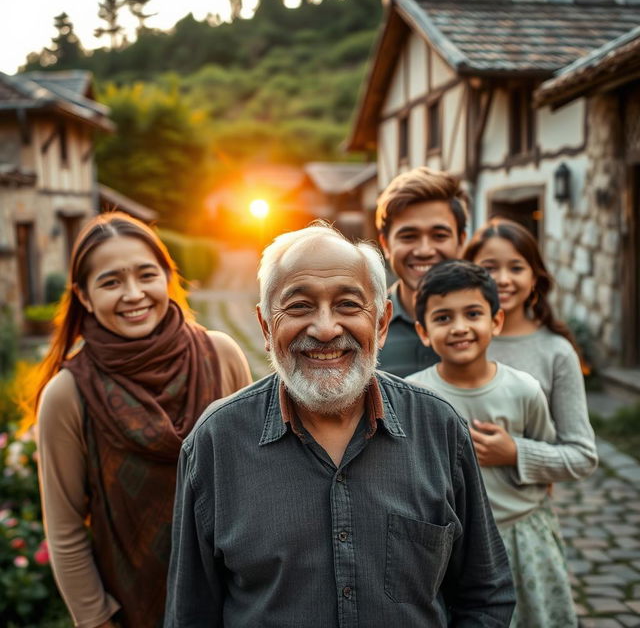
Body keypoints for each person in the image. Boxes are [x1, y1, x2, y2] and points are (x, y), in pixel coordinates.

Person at [164, 222, 515, 627]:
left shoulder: (439, 428)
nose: (326, 328)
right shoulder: (215, 443)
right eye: (299, 306)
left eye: (349, 304)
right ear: (265, 326)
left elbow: (485, 596)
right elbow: (190, 615)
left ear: (381, 323)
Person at [26, 212, 252, 628]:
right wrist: (97, 621)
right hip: (133, 609)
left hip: (234, 603)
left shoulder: (221, 356)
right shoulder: (69, 394)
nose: (134, 294)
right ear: (84, 296)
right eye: (111, 282)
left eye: (146, 275)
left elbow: (254, 483)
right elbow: (66, 530)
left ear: (167, 277)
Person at [407, 260, 577, 627]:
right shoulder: (415, 397)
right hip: (454, 549)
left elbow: (548, 458)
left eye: (472, 313)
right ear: (423, 331)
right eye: (443, 318)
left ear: (496, 321)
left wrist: (514, 452)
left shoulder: (524, 390)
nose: (460, 328)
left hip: (520, 535)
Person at [464, 218, 597, 484]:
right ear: (468, 273)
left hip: (520, 513)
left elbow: (583, 457)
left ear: (534, 277)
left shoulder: (556, 351)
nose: (502, 279)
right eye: (489, 267)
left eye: (516, 267)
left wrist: (515, 452)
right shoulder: (454, 340)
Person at [375, 166, 469, 377]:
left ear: (461, 241)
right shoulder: (367, 325)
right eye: (408, 236)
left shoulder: (486, 324)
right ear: (386, 244)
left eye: (439, 235)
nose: (424, 250)